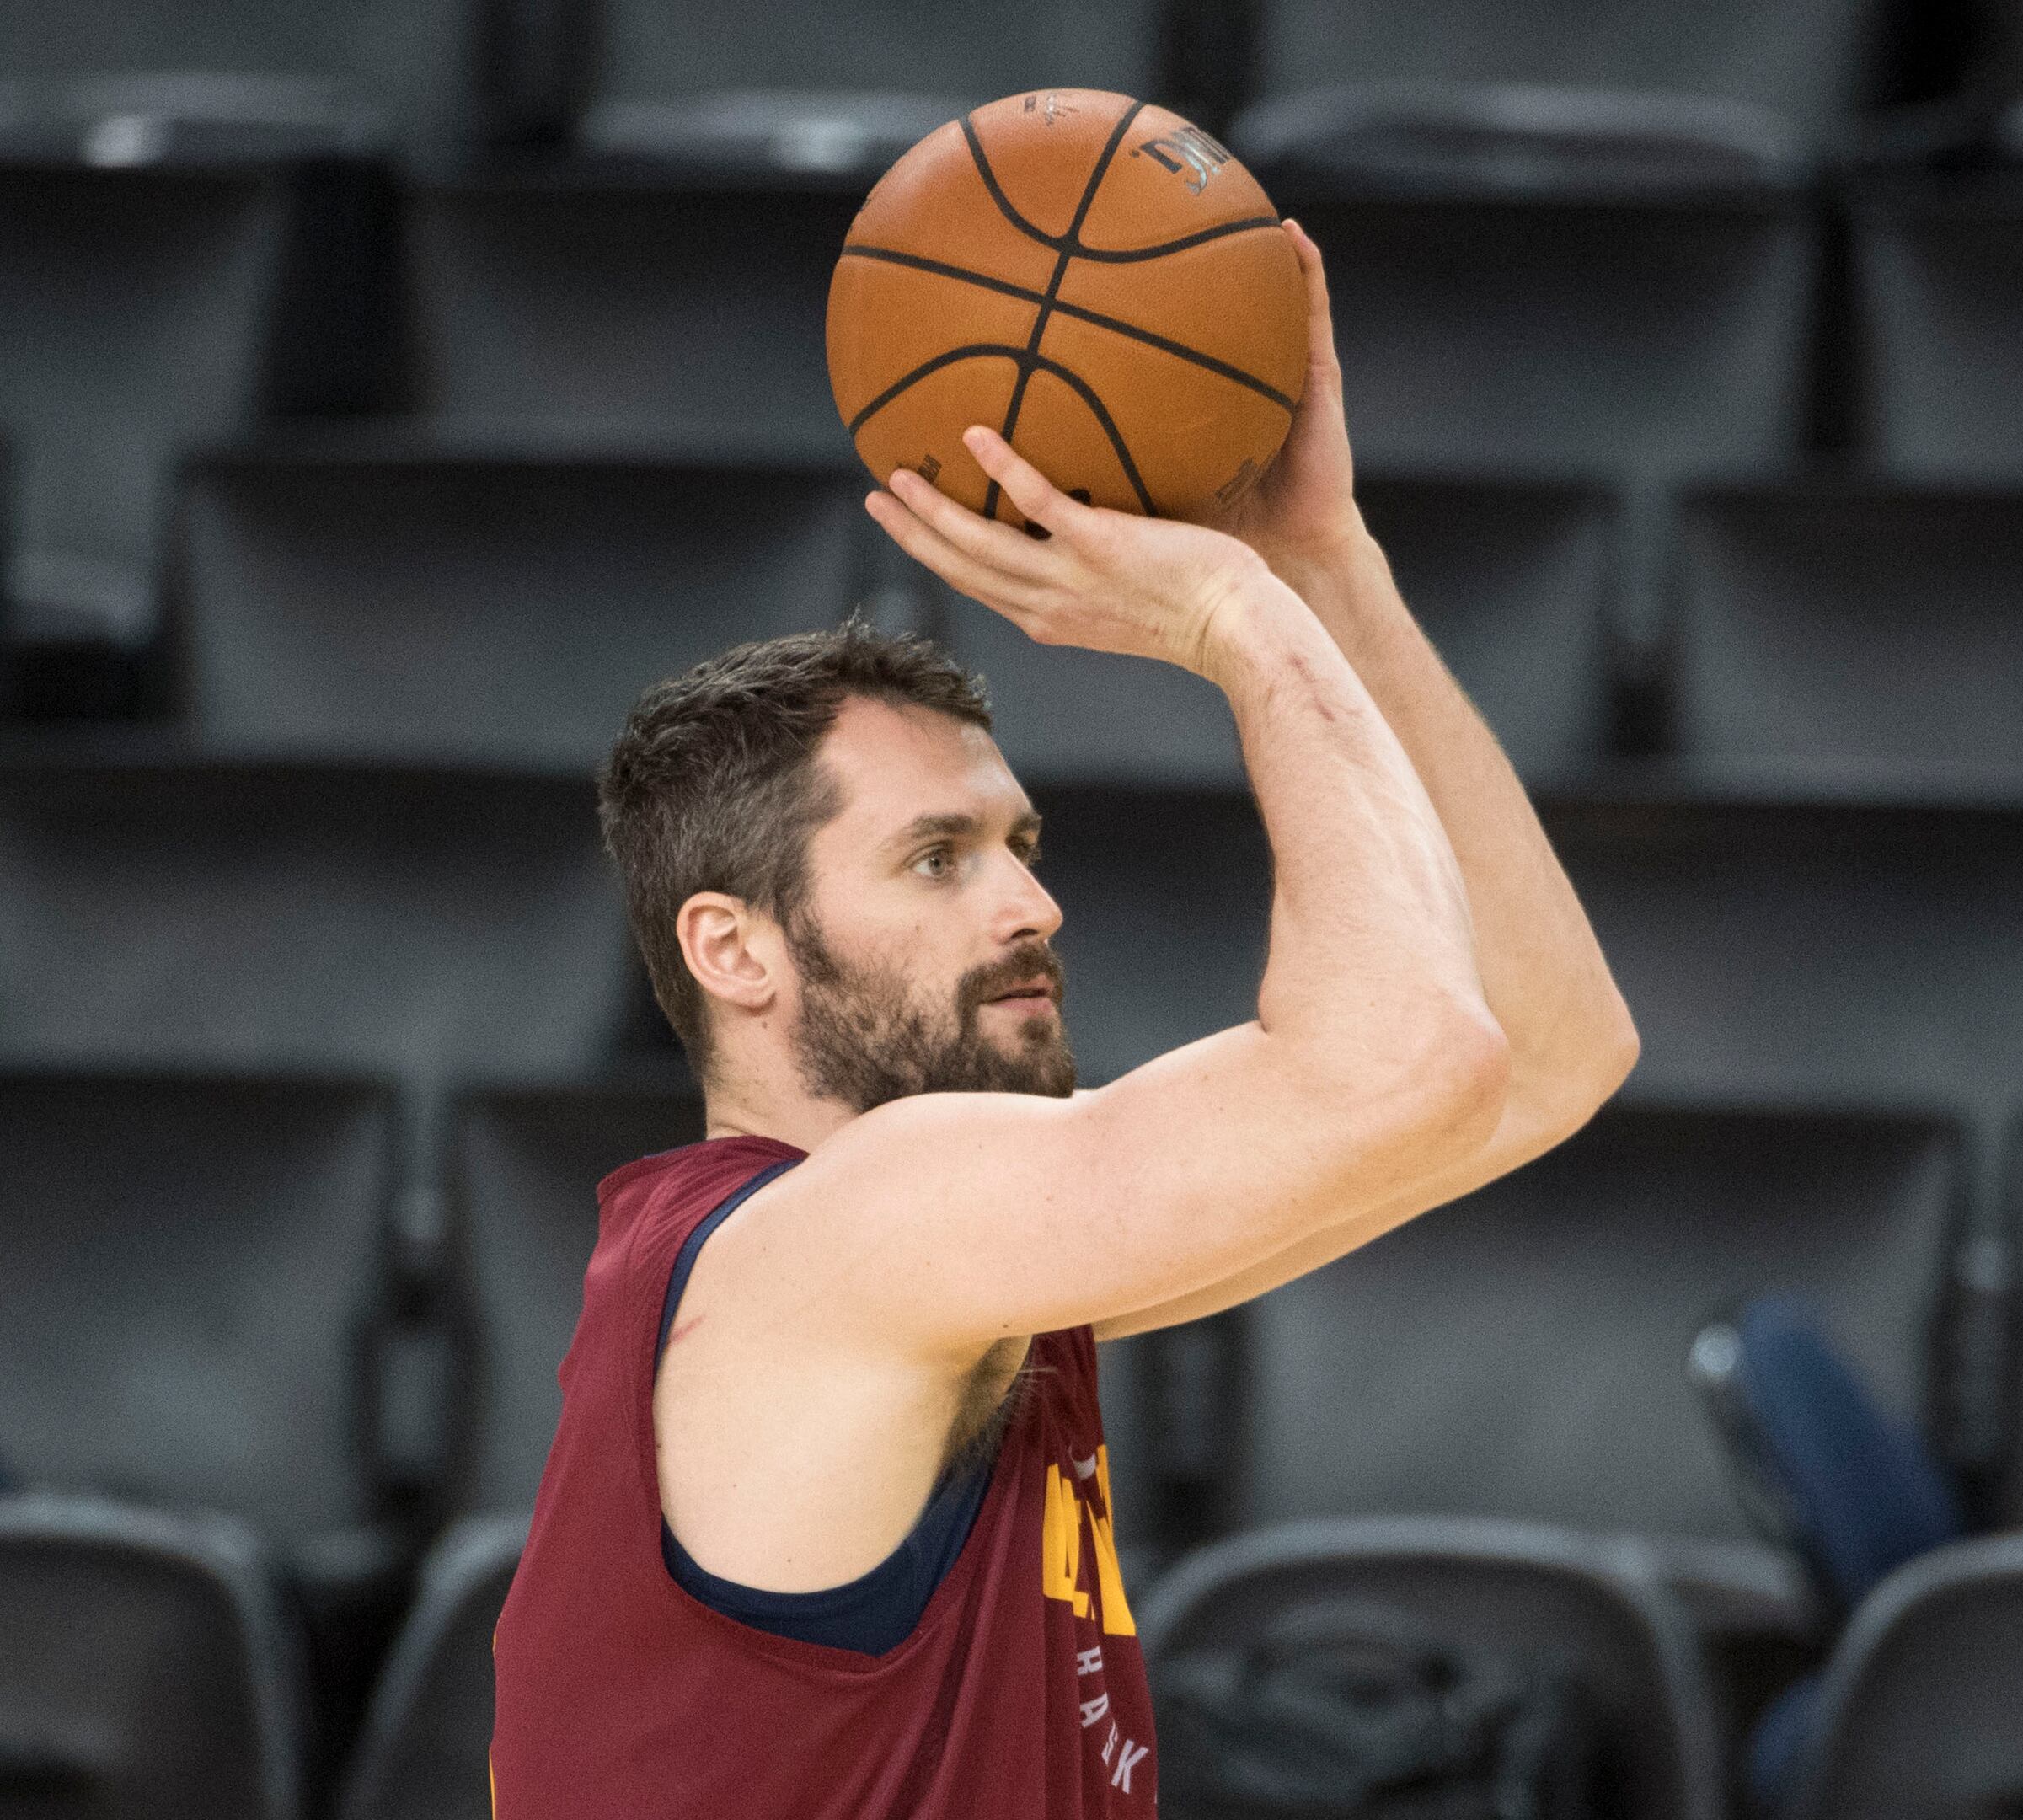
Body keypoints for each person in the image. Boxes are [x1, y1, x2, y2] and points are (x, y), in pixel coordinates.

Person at [488, 221, 1640, 1818]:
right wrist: (1240, 620)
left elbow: (1549, 1052)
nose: (1030, 906)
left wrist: (1329, 569)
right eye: (938, 857)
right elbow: (1412, 1058)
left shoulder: (959, 1291)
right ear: (734, 950)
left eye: (1021, 846)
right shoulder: (847, 1238)